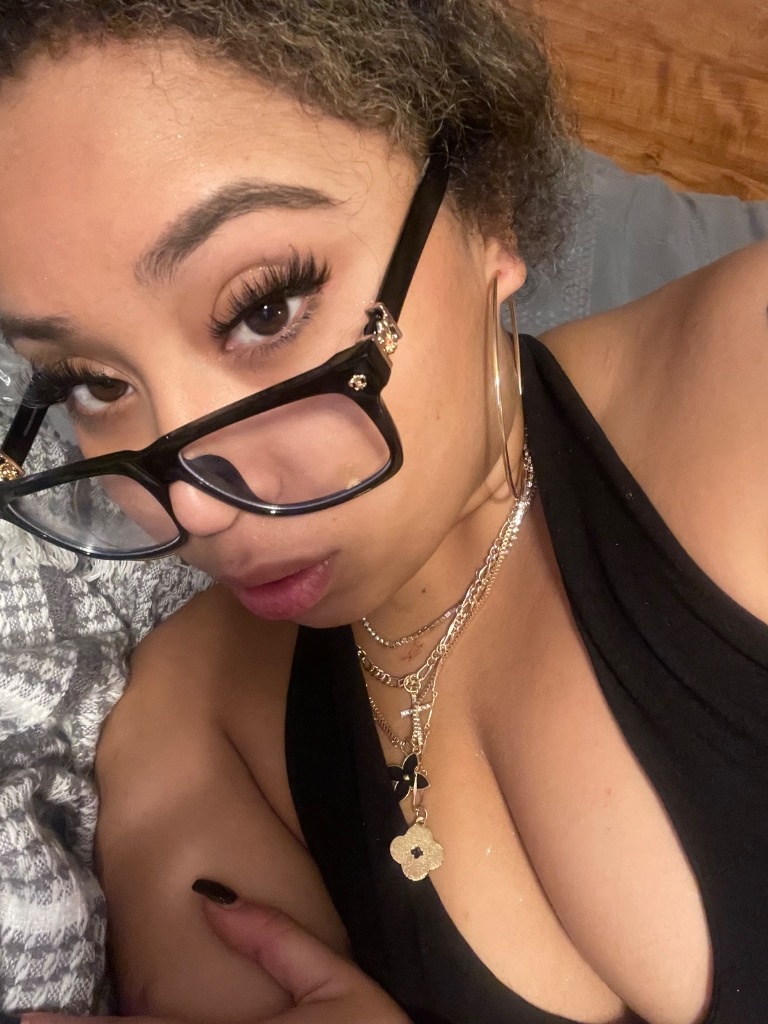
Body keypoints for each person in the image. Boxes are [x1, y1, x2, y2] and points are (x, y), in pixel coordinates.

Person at [0, 2, 766, 1023]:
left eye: (265, 307)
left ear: (487, 205)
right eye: (92, 382)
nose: (189, 503)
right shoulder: (186, 733)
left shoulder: (748, 382)